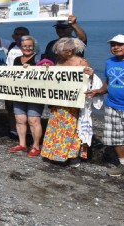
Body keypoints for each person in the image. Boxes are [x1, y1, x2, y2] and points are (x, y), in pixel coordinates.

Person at [86, 35, 124, 180]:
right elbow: (109, 81)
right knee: (116, 138)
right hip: (112, 106)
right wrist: (100, 91)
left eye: (120, 44)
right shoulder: (110, 62)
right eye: (113, 45)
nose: (115, 47)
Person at [41, 37, 91, 167]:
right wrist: (48, 68)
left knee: (71, 128)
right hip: (58, 100)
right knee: (56, 126)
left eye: (60, 50)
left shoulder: (81, 62)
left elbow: (89, 81)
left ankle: (72, 155)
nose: (57, 53)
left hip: (73, 102)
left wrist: (90, 74)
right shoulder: (59, 60)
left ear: (70, 51)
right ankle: (54, 153)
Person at [8, 36, 45, 157]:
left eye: (30, 46)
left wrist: (34, 68)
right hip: (19, 94)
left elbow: (48, 68)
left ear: (33, 46)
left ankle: (35, 146)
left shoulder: (40, 58)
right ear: (20, 47)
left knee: (33, 120)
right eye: (24, 46)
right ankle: (22, 144)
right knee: (20, 119)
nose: (27, 48)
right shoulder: (17, 59)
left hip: (35, 94)